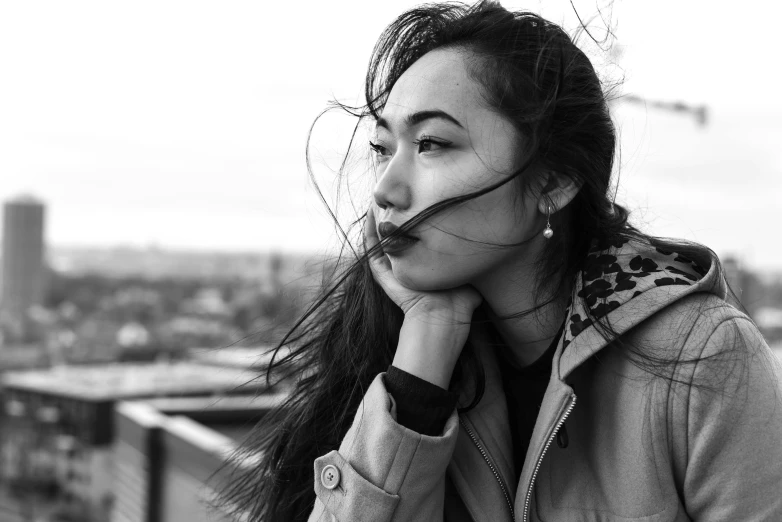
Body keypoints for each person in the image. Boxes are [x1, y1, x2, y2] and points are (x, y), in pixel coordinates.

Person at [219, 2, 782, 521]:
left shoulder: (701, 359)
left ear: (554, 181)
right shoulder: (409, 351)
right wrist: (420, 366)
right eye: (384, 148)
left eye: (433, 144)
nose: (386, 189)